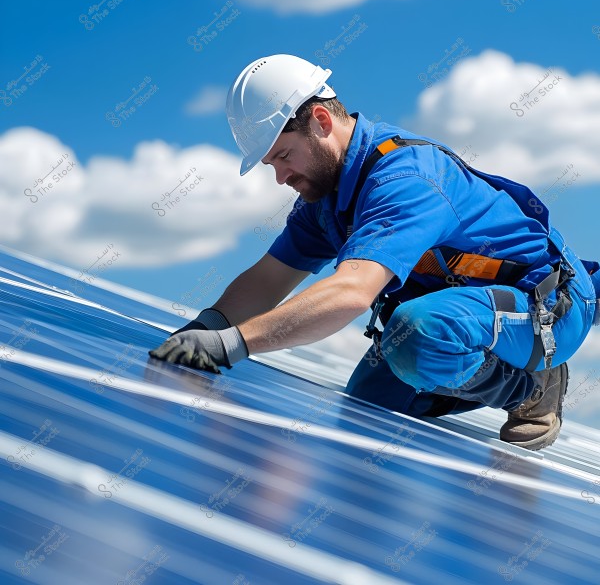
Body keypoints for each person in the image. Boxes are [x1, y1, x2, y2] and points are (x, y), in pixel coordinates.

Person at [149, 54, 600, 451]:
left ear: (322, 122)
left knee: (421, 338)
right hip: (467, 309)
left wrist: (232, 345)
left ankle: (532, 387)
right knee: (370, 406)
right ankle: (476, 360)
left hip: (545, 305)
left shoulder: (405, 180)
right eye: (271, 164)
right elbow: (268, 278)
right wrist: (203, 328)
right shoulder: (326, 201)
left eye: (284, 156)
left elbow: (350, 293)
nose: (280, 177)